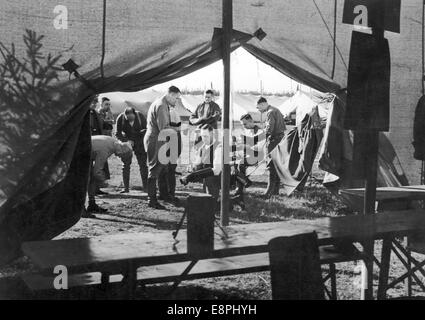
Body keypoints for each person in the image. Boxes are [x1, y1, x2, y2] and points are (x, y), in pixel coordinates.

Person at [144, 86, 181, 209]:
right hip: (156, 140)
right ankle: (151, 199)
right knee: (154, 169)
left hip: (158, 139)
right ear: (170, 95)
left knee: (161, 168)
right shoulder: (161, 106)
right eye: (176, 98)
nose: (176, 101)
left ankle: (162, 195)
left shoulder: (161, 104)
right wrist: (177, 129)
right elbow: (164, 129)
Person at [85, 135, 133, 217]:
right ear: (122, 151)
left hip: (85, 150)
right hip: (81, 151)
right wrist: (105, 183)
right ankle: (81, 209)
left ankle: (92, 204)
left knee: (91, 178)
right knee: (85, 179)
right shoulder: (106, 149)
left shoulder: (113, 142)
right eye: (122, 156)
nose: (119, 157)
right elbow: (97, 171)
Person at [180, 125, 222, 206]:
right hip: (207, 176)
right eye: (202, 136)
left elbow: (216, 170)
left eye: (206, 136)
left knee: (209, 179)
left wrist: (192, 175)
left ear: (212, 134)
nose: (203, 139)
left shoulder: (219, 147)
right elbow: (198, 162)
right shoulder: (202, 147)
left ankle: (213, 202)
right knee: (206, 180)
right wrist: (192, 167)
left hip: (220, 177)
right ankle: (209, 201)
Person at [256, 97, 286, 199]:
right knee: (277, 165)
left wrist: (259, 138)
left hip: (274, 141)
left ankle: (268, 192)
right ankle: (275, 191)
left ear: (263, 104)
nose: (258, 110)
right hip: (280, 139)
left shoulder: (270, 112)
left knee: (271, 165)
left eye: (258, 107)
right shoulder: (275, 110)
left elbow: (269, 129)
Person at [234, 114, 266, 203]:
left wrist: (246, 146)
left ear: (251, 121)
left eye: (245, 124)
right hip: (246, 154)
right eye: (242, 125)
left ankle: (240, 189)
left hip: (257, 155)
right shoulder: (246, 131)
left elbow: (259, 148)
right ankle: (244, 183)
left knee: (241, 164)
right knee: (233, 163)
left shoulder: (260, 132)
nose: (243, 126)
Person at [115, 106, 148, 193]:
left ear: (135, 114)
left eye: (132, 118)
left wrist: (139, 137)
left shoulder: (140, 116)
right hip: (127, 143)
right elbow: (117, 133)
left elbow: (147, 130)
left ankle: (146, 187)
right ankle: (126, 188)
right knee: (125, 165)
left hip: (140, 143)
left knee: (143, 165)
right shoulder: (120, 118)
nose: (130, 120)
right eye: (128, 118)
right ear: (125, 115)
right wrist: (126, 141)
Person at [158, 100, 182, 205]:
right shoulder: (163, 112)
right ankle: (164, 193)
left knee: (169, 170)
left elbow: (176, 129)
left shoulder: (172, 112)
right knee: (162, 170)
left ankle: (169, 194)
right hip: (165, 140)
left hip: (171, 140)